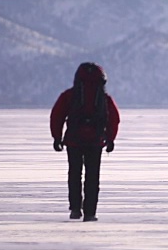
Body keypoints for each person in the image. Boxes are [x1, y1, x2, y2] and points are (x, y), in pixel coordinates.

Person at [49, 62, 120, 222]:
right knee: (92, 176)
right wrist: (110, 139)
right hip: (95, 142)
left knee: (74, 174)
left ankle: (75, 209)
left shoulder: (69, 95)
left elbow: (57, 116)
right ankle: (90, 212)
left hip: (74, 141)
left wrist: (57, 138)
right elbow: (114, 119)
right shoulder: (104, 98)